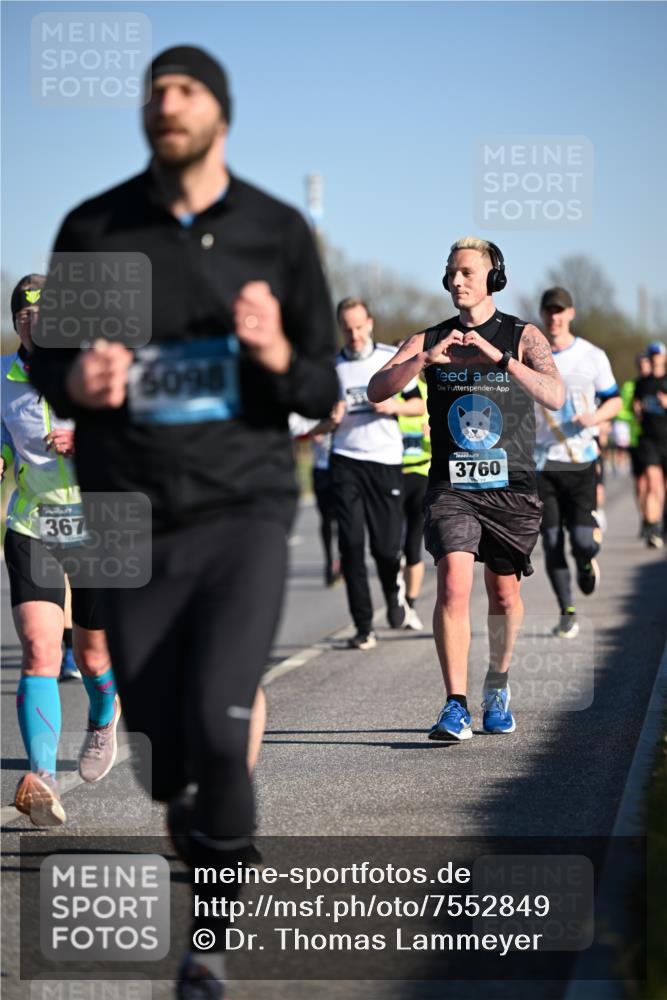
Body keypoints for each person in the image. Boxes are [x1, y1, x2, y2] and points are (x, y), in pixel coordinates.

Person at [29, 46, 338, 996]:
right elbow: (49, 363)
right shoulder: (98, 228)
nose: (166, 101)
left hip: (244, 508)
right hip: (128, 511)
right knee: (163, 757)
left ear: (220, 114)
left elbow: (318, 384)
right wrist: (79, 379)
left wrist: (275, 348)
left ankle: (208, 944)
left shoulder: (274, 231)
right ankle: (196, 822)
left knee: (218, 717)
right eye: (155, 89)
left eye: (186, 89)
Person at [368, 237, 564, 740]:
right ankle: (455, 704)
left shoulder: (522, 335)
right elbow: (376, 389)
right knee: (453, 584)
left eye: (467, 272)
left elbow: (555, 395)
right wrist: (424, 361)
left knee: (503, 594)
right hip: (451, 485)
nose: (457, 281)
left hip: (511, 485)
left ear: (493, 278)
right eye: (451, 272)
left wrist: (501, 360)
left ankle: (496, 686)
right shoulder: (430, 338)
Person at [1, 275, 119, 826]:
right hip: (34, 524)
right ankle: (42, 779)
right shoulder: (4, 379)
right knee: (39, 649)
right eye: (25, 316)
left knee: (93, 656)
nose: (36, 324)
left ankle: (102, 716)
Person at [330, 298, 425, 649]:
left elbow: (419, 403)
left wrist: (393, 405)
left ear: (369, 323)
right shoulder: (333, 367)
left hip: (385, 461)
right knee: (351, 545)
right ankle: (363, 626)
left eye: (359, 327)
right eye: (347, 329)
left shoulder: (390, 358)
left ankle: (393, 593)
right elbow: (317, 417)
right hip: (345, 459)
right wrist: (330, 417)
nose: (354, 335)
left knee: (386, 548)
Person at [533, 287, 621, 638]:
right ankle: (567, 611)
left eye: (560, 311)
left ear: (570, 313)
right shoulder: (531, 355)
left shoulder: (592, 355)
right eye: (548, 311)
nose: (554, 317)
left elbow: (614, 400)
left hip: (581, 461)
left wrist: (595, 418)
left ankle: (586, 562)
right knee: (552, 540)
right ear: (542, 315)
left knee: (582, 541)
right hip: (543, 464)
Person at [397, 373, 431, 630]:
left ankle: (410, 605)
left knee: (413, 547)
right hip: (392, 475)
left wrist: (430, 432)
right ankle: (396, 598)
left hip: (421, 474)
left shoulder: (426, 391)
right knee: (391, 546)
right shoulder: (389, 389)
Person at [633, 340, 667, 548]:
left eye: (658, 355)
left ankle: (661, 522)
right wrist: (637, 411)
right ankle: (653, 528)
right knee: (653, 483)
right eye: (652, 355)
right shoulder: (641, 383)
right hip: (649, 440)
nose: (655, 359)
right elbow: (636, 410)